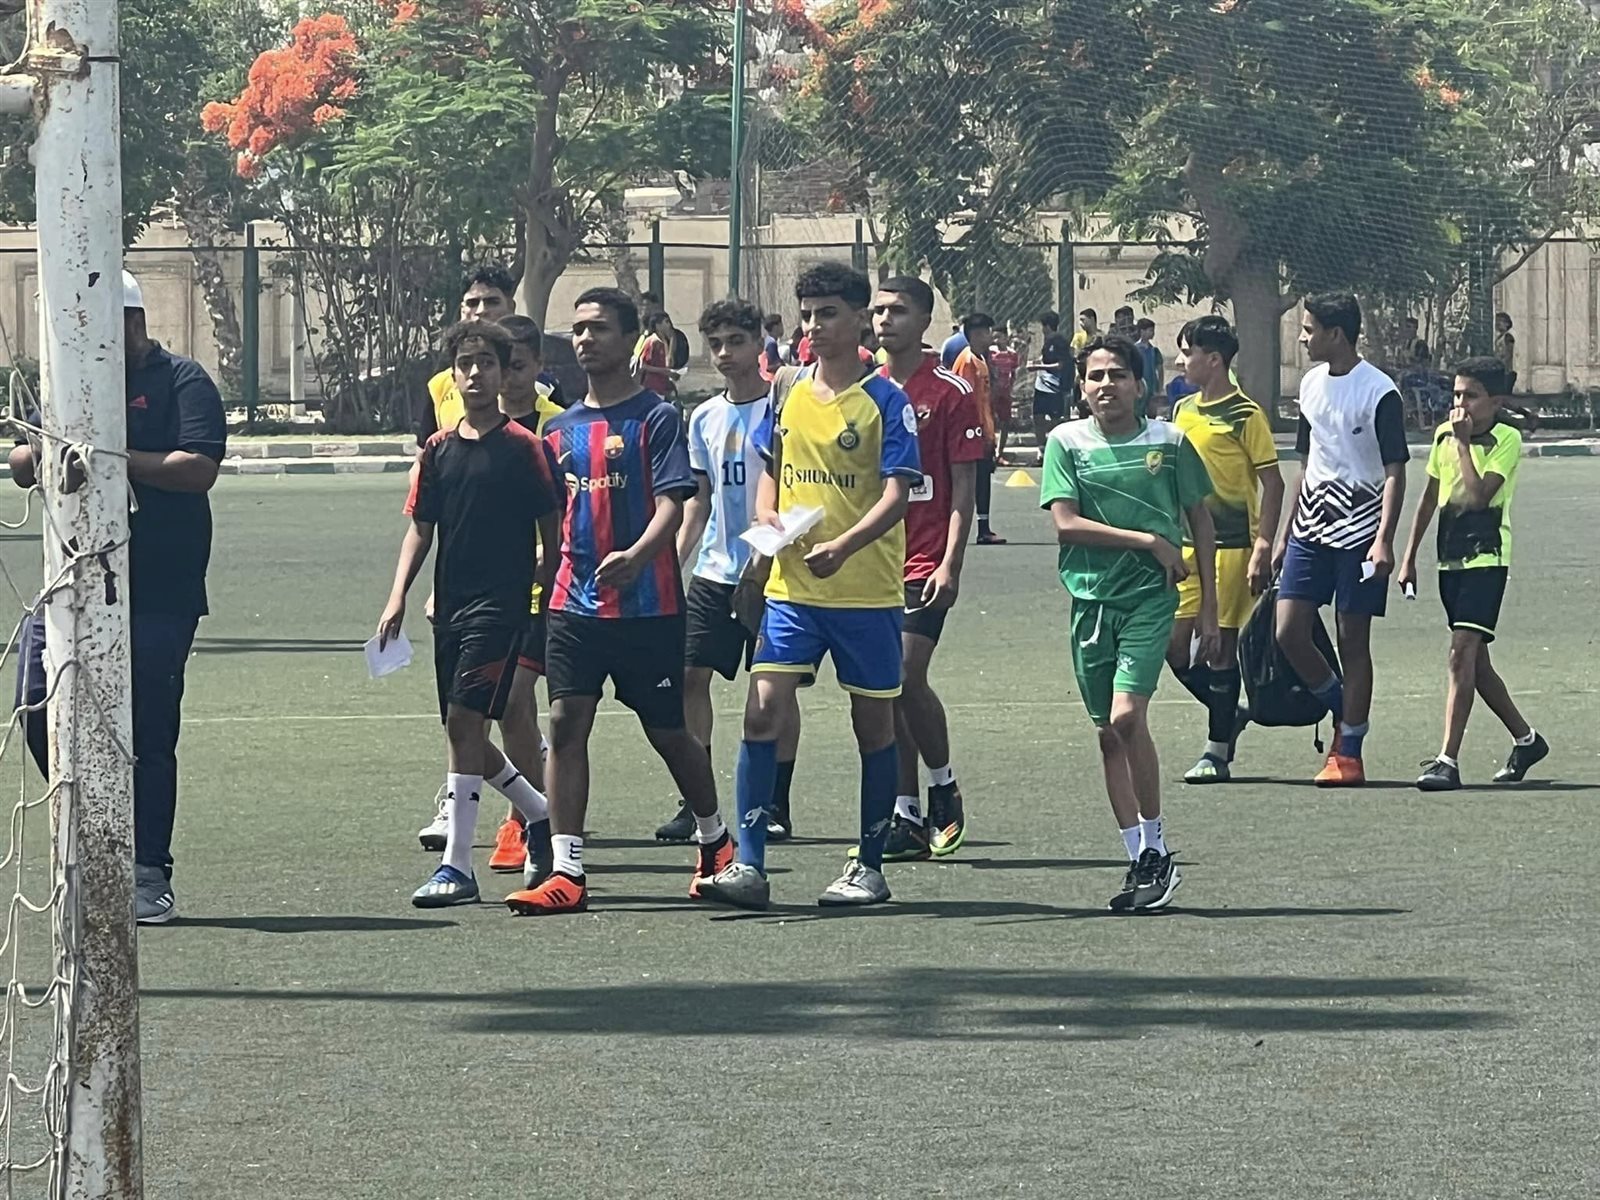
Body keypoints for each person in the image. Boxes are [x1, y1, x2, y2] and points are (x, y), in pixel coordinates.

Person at [696, 262, 921, 911]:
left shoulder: (886, 401)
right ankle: (749, 865)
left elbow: (898, 494)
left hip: (865, 594)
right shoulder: (789, 390)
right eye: (807, 314)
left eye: (828, 313)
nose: (814, 326)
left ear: (859, 320)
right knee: (762, 710)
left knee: (872, 725)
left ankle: (869, 865)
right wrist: (766, 515)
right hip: (792, 589)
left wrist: (845, 545)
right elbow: (772, 465)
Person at [504, 288, 730, 915]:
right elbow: (550, 516)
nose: (585, 338)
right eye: (578, 329)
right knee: (565, 722)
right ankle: (567, 870)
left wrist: (638, 557)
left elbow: (673, 503)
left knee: (669, 731)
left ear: (631, 340)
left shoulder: (656, 417)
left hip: (648, 608)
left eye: (599, 328)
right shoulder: (558, 430)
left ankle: (715, 841)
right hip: (572, 606)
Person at [11, 270, 226, 925]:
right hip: (72, 580)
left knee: (150, 726)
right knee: (35, 698)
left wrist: (112, 458)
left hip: (160, 587)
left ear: (133, 321)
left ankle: (148, 871)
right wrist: (42, 452)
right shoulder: (73, 380)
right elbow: (22, 462)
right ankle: (95, 822)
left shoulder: (181, 380)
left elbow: (198, 468)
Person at [377, 320, 565, 908]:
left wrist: (543, 583)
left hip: (501, 607)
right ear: (452, 375)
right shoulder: (437, 450)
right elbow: (421, 529)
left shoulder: (525, 447)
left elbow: (552, 526)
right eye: (465, 363)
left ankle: (458, 867)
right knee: (461, 732)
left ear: (504, 371)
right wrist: (398, 595)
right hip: (451, 606)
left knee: (466, 722)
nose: (476, 373)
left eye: (487, 362)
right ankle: (541, 812)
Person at [1041, 334, 1216, 911]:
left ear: (1140, 385)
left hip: (1150, 599)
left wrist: (1210, 606)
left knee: (1126, 716)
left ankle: (1157, 847)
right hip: (1090, 603)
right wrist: (1148, 540)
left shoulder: (1169, 442)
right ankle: (1138, 856)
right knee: (1107, 734)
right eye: (1095, 376)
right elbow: (1065, 524)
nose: (1106, 385)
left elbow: (1200, 519)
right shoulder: (1065, 442)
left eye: (1117, 374)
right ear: (1081, 387)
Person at [657, 299, 802, 844]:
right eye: (715, 343)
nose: (725, 353)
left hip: (774, 573)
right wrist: (673, 560)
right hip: (715, 573)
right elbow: (699, 500)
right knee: (689, 678)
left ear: (759, 344)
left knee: (774, 690)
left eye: (736, 341)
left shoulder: (785, 409)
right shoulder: (703, 417)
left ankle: (774, 803)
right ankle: (697, 803)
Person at [870, 276, 985, 860]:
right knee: (883, 688)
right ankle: (905, 813)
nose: (884, 320)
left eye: (897, 311)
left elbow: (964, 488)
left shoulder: (950, 390)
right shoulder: (862, 389)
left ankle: (943, 787)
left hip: (924, 559)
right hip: (871, 561)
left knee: (906, 674)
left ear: (923, 320)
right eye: (878, 311)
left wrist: (951, 563)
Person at [1274, 292, 1408, 787]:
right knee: (1288, 631)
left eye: (1309, 329)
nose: (1302, 338)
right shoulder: (1309, 384)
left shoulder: (1380, 391)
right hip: (1310, 529)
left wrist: (1384, 539)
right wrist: (1285, 534)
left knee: (1353, 640)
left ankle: (1349, 751)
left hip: (1360, 533)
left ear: (1336, 334)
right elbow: (1306, 463)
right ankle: (1342, 706)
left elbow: (1395, 471)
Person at [1397, 357, 1548, 791]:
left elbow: (1480, 496)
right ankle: (1527, 740)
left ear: (1495, 401)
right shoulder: (1443, 435)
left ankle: (1447, 760)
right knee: (1476, 665)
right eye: (1457, 394)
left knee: (1460, 653)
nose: (1461, 404)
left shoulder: (1507, 439)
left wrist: (1463, 444)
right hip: (1451, 560)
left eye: (1472, 396)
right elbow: (1430, 497)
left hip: (1487, 559)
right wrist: (1409, 556)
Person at [1164, 317, 1284, 783]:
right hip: (1186, 547)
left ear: (1213, 360)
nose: (1181, 361)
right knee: (1173, 648)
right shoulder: (1181, 410)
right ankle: (1229, 712)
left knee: (1220, 648)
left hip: (1232, 547)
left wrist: (1263, 544)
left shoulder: (1246, 414)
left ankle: (1216, 753)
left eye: (1187, 352)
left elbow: (1273, 483)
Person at [416, 265, 519, 444]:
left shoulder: (539, 383)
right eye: (472, 303)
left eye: (492, 302)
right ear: (462, 310)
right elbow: (424, 454)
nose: (481, 311)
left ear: (511, 307)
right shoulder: (440, 386)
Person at [953, 313, 1006, 546]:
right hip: (973, 432)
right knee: (972, 481)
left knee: (982, 479)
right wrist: (977, 432)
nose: (990, 337)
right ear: (975, 335)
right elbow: (967, 401)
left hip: (984, 430)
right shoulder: (967, 362)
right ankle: (974, 529)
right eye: (986, 332)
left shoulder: (980, 359)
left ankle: (984, 528)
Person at [1027, 310, 1072, 444]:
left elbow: (1060, 365)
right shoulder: (1048, 341)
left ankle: (1056, 445)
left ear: (1047, 326)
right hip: (1042, 385)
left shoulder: (1059, 341)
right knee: (1038, 416)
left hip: (1054, 386)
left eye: (1042, 326)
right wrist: (1036, 362)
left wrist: (1037, 367)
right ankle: (1041, 448)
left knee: (1055, 419)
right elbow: (1046, 358)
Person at [989, 327, 1020, 464]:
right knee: (990, 421)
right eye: (994, 337)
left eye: (999, 337)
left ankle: (999, 452)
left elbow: (1014, 372)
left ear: (1005, 337)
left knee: (1005, 421)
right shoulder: (990, 352)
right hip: (992, 392)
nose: (996, 340)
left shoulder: (1012, 354)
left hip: (1005, 392)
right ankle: (990, 451)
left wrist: (1011, 387)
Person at [636, 310, 678, 399]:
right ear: (658, 325)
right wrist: (663, 371)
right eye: (666, 322)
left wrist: (672, 342)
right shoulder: (652, 342)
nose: (669, 325)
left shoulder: (663, 342)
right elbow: (642, 366)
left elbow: (668, 363)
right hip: (652, 388)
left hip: (662, 387)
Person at [1134, 318, 1164, 416]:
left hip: (1152, 387)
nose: (1153, 333)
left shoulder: (1154, 350)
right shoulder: (1134, 350)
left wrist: (1160, 387)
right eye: (1150, 330)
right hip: (1139, 386)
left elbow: (1160, 369)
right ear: (1142, 331)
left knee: (1152, 412)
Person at [1493, 312, 1517, 394]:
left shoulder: (1507, 337)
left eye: (1501, 321)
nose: (1498, 323)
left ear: (1507, 324)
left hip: (1505, 371)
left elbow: (1508, 354)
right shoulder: (1499, 337)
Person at [762, 311, 786, 378]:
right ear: (775, 327)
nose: (782, 328)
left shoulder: (767, 341)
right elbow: (772, 366)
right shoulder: (771, 344)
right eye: (781, 325)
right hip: (770, 379)